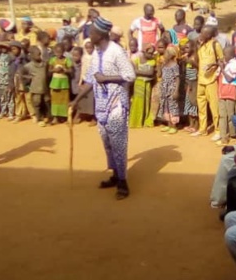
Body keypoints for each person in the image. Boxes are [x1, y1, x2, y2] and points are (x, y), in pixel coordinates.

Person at [70, 16, 136, 200]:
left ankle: (123, 183)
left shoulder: (116, 52)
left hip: (116, 105)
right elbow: (91, 79)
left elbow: (130, 75)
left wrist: (107, 78)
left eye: (92, 32)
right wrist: (76, 101)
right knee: (107, 143)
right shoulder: (96, 52)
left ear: (101, 34)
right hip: (101, 106)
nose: (89, 35)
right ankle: (115, 175)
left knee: (118, 144)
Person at [194, 25, 223, 138]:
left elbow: (221, 61)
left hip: (211, 80)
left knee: (214, 107)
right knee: (201, 106)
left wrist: (213, 66)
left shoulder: (215, 45)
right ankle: (202, 128)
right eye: (201, 32)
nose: (201, 35)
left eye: (204, 33)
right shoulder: (201, 45)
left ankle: (218, 130)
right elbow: (198, 60)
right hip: (201, 79)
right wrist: (197, 46)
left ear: (209, 35)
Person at [20, 47, 50, 127]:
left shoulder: (45, 64)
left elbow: (47, 74)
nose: (39, 56)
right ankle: (39, 118)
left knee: (46, 102)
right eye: (37, 54)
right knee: (37, 103)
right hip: (35, 89)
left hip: (44, 88)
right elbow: (22, 74)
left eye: (40, 54)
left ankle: (46, 116)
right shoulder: (28, 66)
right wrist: (27, 80)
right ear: (32, 55)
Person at [130, 43, 157, 128]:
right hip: (138, 83)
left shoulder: (152, 61)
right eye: (149, 53)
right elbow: (135, 72)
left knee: (146, 102)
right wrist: (145, 73)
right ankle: (136, 122)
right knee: (137, 102)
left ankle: (144, 121)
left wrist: (139, 72)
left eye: (152, 53)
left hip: (147, 84)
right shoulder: (137, 59)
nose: (151, 55)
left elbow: (150, 73)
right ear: (144, 52)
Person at [217, 46, 236, 144]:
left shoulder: (234, 64)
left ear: (231, 55)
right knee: (222, 115)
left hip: (230, 93)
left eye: (225, 54)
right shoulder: (226, 63)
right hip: (222, 92)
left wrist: (222, 68)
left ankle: (232, 134)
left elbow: (229, 78)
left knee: (230, 115)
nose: (223, 56)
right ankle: (223, 136)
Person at [48, 43, 73, 125]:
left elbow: (71, 70)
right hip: (55, 83)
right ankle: (55, 118)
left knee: (64, 100)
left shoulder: (67, 60)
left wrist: (64, 70)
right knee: (55, 101)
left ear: (63, 52)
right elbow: (49, 70)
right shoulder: (52, 60)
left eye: (60, 52)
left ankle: (65, 117)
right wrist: (55, 70)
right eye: (57, 52)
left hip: (64, 83)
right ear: (54, 52)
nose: (58, 54)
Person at [159, 46, 182, 134]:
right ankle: (168, 124)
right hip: (164, 88)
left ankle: (174, 126)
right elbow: (160, 74)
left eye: (166, 53)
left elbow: (177, 79)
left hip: (172, 88)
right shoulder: (164, 64)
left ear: (171, 55)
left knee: (173, 106)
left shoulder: (175, 65)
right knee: (166, 106)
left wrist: (176, 90)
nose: (165, 55)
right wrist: (160, 65)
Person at [181, 38, 199, 133]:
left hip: (194, 83)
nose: (186, 50)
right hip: (188, 82)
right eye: (185, 48)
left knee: (194, 104)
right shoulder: (187, 58)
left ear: (192, 48)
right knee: (188, 104)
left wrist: (192, 62)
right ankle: (190, 124)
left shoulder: (194, 57)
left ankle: (196, 125)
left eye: (187, 48)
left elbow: (198, 69)